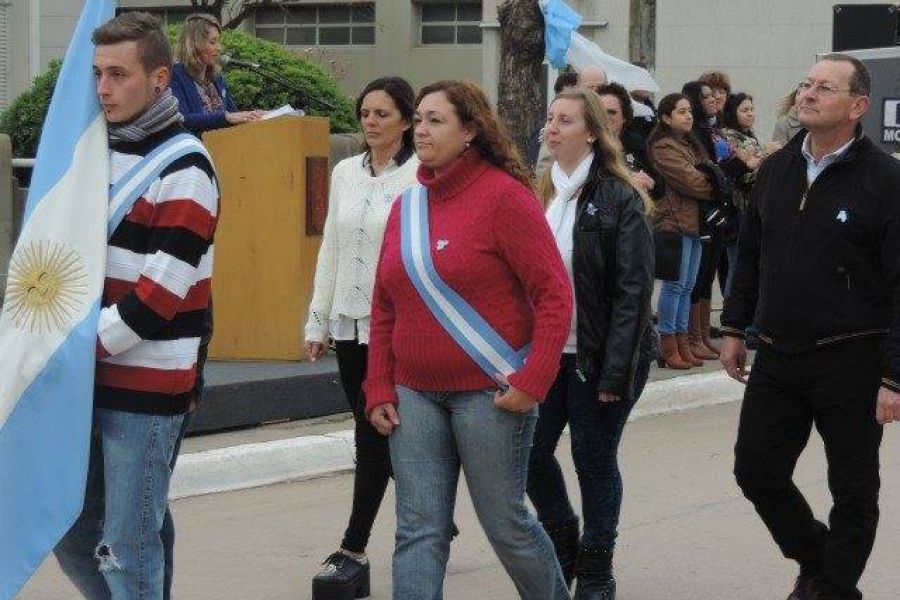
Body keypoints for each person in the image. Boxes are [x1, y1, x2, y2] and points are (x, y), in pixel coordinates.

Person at [364, 80, 573, 600]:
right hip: (413, 393)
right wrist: (378, 386)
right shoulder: (406, 207)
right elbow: (386, 302)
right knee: (418, 529)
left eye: (436, 119)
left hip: (491, 392)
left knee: (506, 525)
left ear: (470, 130)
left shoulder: (505, 198)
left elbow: (553, 294)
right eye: (419, 118)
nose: (422, 129)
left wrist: (535, 378)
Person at [722, 54, 900, 600]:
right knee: (756, 470)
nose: (809, 93)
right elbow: (749, 255)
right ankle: (820, 561)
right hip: (777, 353)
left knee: (852, 487)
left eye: (826, 87)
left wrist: (894, 376)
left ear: (858, 106)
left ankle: (831, 589)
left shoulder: (886, 180)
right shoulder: (776, 169)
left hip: (852, 358)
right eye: (807, 83)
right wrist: (733, 326)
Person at [54, 11, 218, 599]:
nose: (102, 88)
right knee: (71, 526)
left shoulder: (186, 166)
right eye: (97, 74)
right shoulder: (91, 154)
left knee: (128, 544)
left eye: (118, 75)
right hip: (81, 381)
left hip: (145, 387)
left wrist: (67, 350)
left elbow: (156, 301)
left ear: (158, 78)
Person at [527, 86, 656, 600]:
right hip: (547, 354)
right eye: (549, 119)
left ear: (590, 133)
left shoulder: (619, 197)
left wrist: (615, 372)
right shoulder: (540, 193)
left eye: (564, 120)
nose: (551, 128)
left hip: (602, 355)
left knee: (594, 458)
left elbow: (632, 292)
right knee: (530, 454)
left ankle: (597, 570)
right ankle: (565, 541)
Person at [304, 76, 419, 599]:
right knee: (369, 427)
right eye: (365, 112)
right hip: (348, 324)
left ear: (407, 120)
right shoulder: (346, 172)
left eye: (382, 113)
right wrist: (317, 320)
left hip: (394, 327)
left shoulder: (420, 176)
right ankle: (424, 503)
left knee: (372, 433)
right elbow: (330, 247)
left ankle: (352, 546)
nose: (370, 122)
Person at [681, 80, 756, 361]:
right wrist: (732, 170)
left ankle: (700, 336)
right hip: (704, 210)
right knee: (691, 279)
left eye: (714, 95)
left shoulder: (712, 130)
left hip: (721, 208)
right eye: (706, 96)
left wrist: (742, 164)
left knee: (706, 275)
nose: (713, 99)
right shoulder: (694, 134)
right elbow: (709, 169)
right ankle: (686, 339)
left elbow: (725, 163)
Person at [648, 93, 715, 370]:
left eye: (689, 111)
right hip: (673, 222)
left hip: (694, 221)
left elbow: (706, 173)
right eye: (681, 111)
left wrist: (712, 178)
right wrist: (716, 184)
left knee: (688, 287)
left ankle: (684, 343)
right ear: (666, 117)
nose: (688, 116)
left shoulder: (689, 144)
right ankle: (668, 345)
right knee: (675, 286)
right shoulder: (664, 146)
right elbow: (693, 181)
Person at [170, 13, 263, 135]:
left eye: (218, 41)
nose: (219, 48)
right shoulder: (175, 76)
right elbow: (182, 120)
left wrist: (254, 116)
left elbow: (233, 113)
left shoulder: (217, 79)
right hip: (197, 150)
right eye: (212, 42)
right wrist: (226, 118)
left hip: (225, 147)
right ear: (194, 45)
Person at [719, 92, 765, 296]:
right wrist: (763, 159)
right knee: (736, 265)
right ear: (732, 112)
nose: (750, 114)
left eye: (752, 109)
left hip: (754, 207)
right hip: (737, 209)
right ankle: (732, 318)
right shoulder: (728, 137)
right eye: (744, 110)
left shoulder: (750, 137)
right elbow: (743, 174)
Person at [597, 82, 663, 198]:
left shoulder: (638, 144)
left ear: (624, 117)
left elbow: (660, 187)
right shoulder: (585, 146)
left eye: (612, 112)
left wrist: (651, 183)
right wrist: (628, 184)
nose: (605, 117)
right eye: (600, 112)